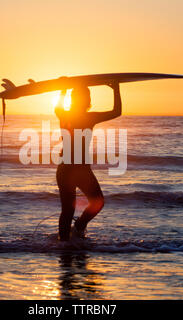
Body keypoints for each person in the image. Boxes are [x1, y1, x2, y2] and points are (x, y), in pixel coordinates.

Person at [55, 82, 122, 241]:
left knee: (94, 203)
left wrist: (62, 89)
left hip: (73, 169)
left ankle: (74, 231)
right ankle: (67, 240)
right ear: (83, 100)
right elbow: (117, 111)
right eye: (85, 96)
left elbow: (116, 112)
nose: (87, 99)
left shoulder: (65, 114)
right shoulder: (81, 116)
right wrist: (115, 89)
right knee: (71, 209)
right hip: (71, 169)